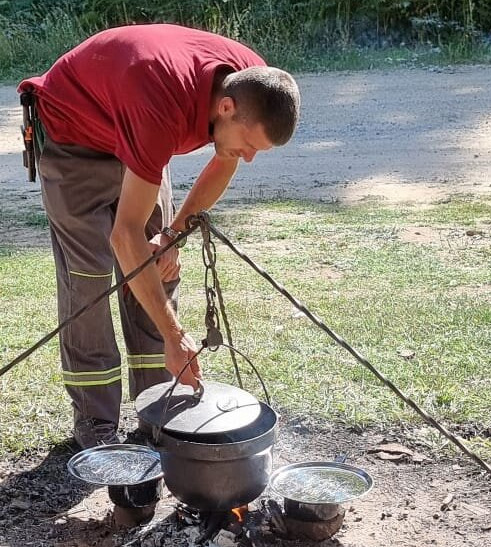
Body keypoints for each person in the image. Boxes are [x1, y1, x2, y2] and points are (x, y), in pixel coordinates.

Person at [18, 24, 301, 449]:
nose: (249, 157)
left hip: (134, 129)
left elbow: (225, 161)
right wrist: (175, 336)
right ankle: (95, 423)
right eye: (248, 143)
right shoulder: (159, 101)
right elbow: (124, 235)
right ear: (224, 107)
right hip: (75, 135)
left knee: (158, 267)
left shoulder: (253, 84)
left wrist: (173, 233)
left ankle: (156, 405)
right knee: (89, 280)